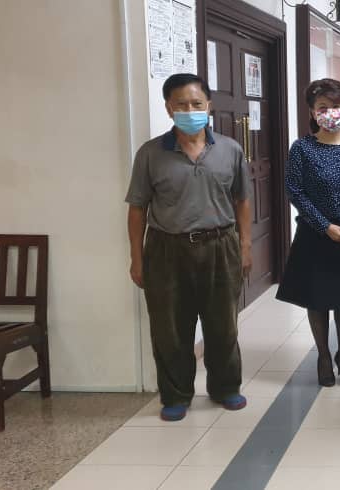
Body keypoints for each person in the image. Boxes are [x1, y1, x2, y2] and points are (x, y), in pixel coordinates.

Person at [125, 73, 251, 421]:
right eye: (181, 105)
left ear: (208, 106)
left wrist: (246, 246)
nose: (190, 110)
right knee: (170, 328)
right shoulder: (151, 154)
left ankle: (226, 387)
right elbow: (137, 209)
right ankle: (176, 394)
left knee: (223, 324)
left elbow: (242, 201)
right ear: (168, 109)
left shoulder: (229, 149)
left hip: (220, 245)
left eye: (196, 103)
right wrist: (137, 259)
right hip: (167, 250)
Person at [276, 79, 340, 387]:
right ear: (312, 112)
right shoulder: (303, 148)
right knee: (318, 301)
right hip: (316, 237)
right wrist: (324, 226)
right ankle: (323, 355)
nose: (330, 112)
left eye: (336, 106)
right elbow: (296, 192)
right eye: (323, 107)